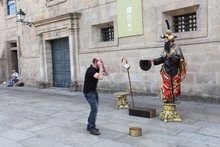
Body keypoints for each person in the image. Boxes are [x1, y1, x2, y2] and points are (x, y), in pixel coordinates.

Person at [151, 36, 186, 103]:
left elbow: (179, 58)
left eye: (167, 42)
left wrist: (171, 56)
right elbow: (162, 59)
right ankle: (166, 98)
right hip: (166, 70)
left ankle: (172, 98)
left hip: (174, 70)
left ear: (171, 42)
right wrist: (153, 60)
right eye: (165, 42)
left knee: (174, 86)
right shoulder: (166, 49)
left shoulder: (176, 48)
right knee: (166, 85)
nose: (166, 44)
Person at [83, 57, 109, 135]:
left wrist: (103, 66)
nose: (101, 62)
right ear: (95, 63)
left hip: (93, 91)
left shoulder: (97, 69)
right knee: (94, 109)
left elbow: (107, 74)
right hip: (88, 92)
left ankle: (89, 125)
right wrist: (100, 67)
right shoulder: (90, 70)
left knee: (95, 109)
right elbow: (100, 77)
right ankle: (91, 127)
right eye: (99, 61)